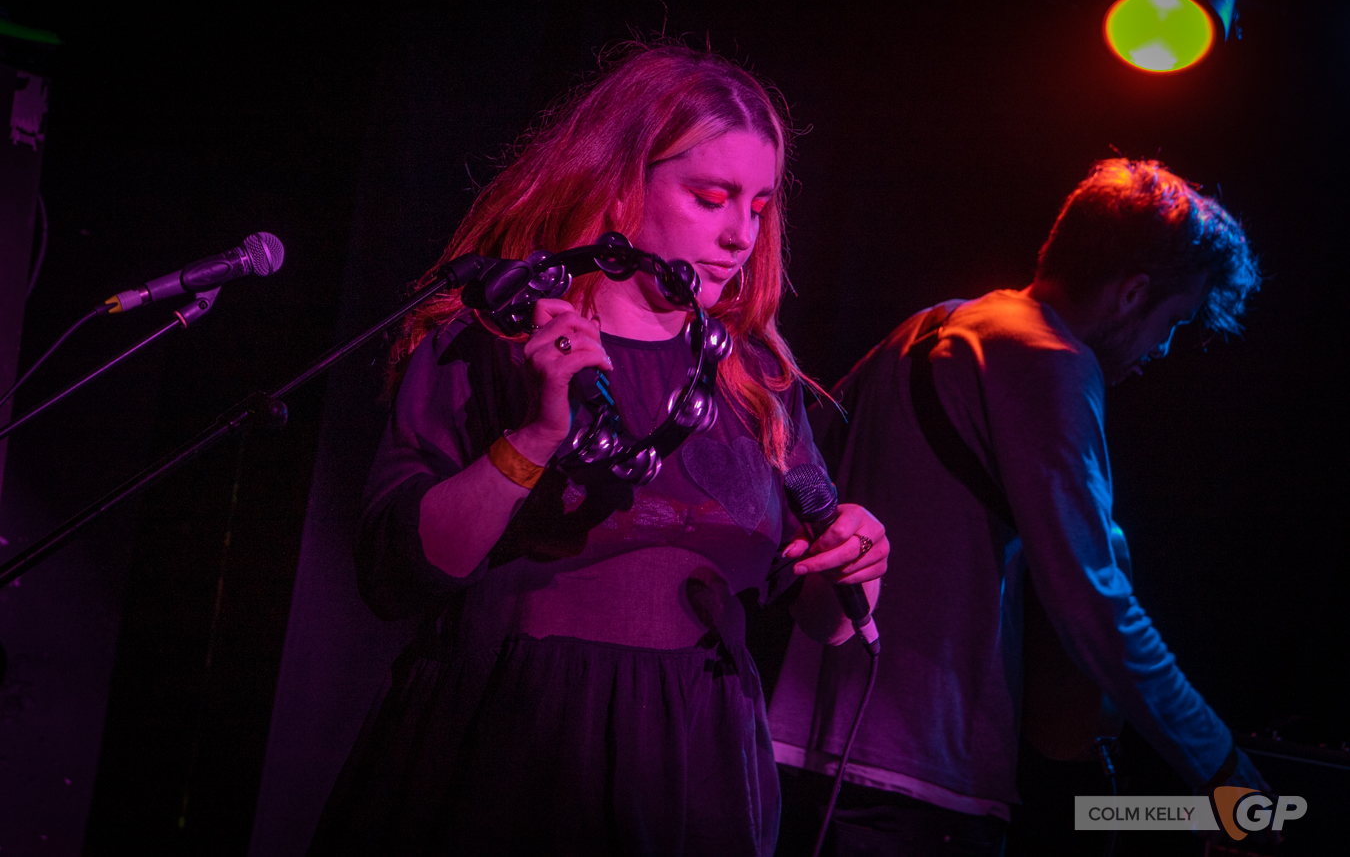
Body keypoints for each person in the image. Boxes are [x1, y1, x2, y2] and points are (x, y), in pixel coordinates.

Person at [307, 43, 888, 857]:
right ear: (620, 188)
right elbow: (397, 572)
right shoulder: (495, 340)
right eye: (711, 197)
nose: (739, 235)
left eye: (757, 207)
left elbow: (820, 617)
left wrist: (858, 558)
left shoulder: (755, 379)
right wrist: (538, 436)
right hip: (514, 748)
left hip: (697, 767)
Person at [769, 158, 1266, 855]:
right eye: (1174, 320)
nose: (1163, 349)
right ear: (1131, 293)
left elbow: (790, 474)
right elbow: (1096, 605)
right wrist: (1226, 775)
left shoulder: (923, 329)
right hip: (917, 781)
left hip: (787, 753)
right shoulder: (1052, 360)